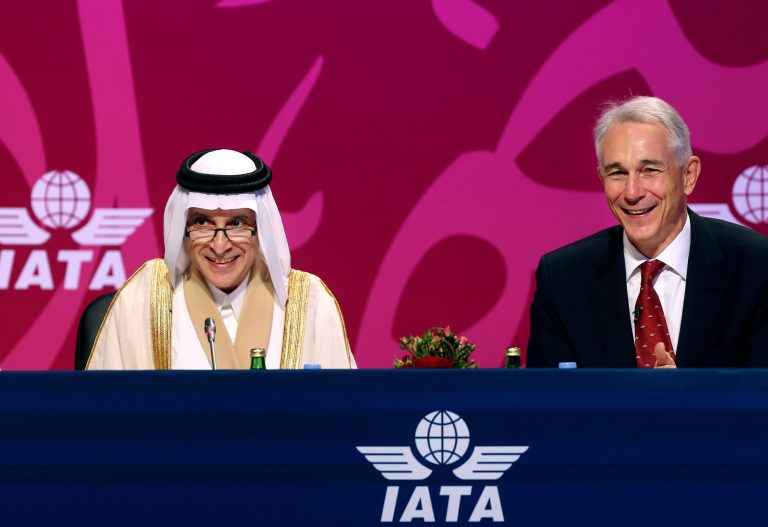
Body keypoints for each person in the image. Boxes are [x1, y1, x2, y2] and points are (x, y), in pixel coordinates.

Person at [526, 96, 768, 368]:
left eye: (649, 170)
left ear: (688, 175)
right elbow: (546, 402)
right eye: (617, 173)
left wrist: (687, 396)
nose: (632, 193)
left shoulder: (756, 266)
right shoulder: (563, 279)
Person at [87, 149, 356, 370]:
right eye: (202, 223)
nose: (219, 245)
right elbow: (104, 419)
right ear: (183, 229)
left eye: (237, 223)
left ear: (260, 230)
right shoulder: (144, 300)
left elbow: (344, 420)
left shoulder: (309, 302)